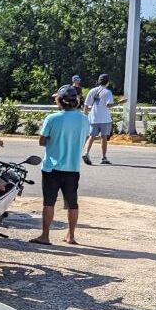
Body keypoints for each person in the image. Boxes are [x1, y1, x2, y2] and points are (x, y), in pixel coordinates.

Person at [30, 85, 89, 245]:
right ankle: (71, 235)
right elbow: (84, 140)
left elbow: (42, 141)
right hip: (73, 167)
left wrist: (55, 140)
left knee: (49, 202)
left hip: (51, 167)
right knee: (72, 203)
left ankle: (45, 236)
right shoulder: (84, 119)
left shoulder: (52, 118)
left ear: (60, 101)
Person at [82, 73, 121, 165]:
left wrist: (86, 115)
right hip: (105, 119)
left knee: (91, 136)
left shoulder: (92, 91)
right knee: (104, 138)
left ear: (98, 81)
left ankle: (86, 153)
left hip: (93, 117)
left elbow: (86, 106)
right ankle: (103, 158)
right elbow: (109, 105)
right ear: (107, 82)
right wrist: (119, 102)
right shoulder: (108, 92)